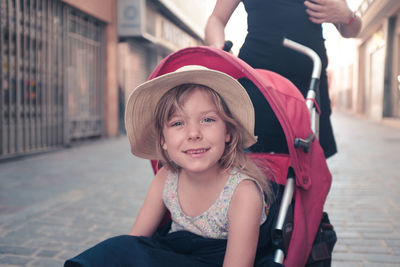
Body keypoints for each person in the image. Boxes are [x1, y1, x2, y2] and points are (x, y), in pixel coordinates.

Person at [64, 65, 279, 267]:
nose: (194, 134)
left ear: (228, 132)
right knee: (118, 247)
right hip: (175, 257)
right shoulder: (166, 177)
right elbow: (135, 243)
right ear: (163, 141)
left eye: (207, 120)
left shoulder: (243, 193)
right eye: (178, 123)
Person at [205, 0, 362, 158]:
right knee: (254, 159)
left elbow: (351, 31)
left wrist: (348, 16)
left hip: (310, 84)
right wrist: (218, 47)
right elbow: (216, 19)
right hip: (258, 81)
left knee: (308, 162)